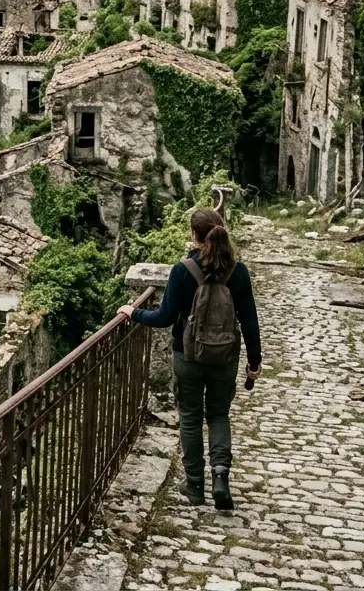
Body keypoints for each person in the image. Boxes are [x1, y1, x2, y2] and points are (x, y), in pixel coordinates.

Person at [118, 208, 260, 510]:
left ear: (194, 236)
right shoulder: (239, 271)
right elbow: (249, 320)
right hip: (225, 358)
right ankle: (220, 477)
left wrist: (133, 312)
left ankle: (194, 485)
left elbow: (165, 318)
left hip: (188, 357)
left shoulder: (183, 270)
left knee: (191, 418)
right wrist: (254, 362)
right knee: (219, 415)